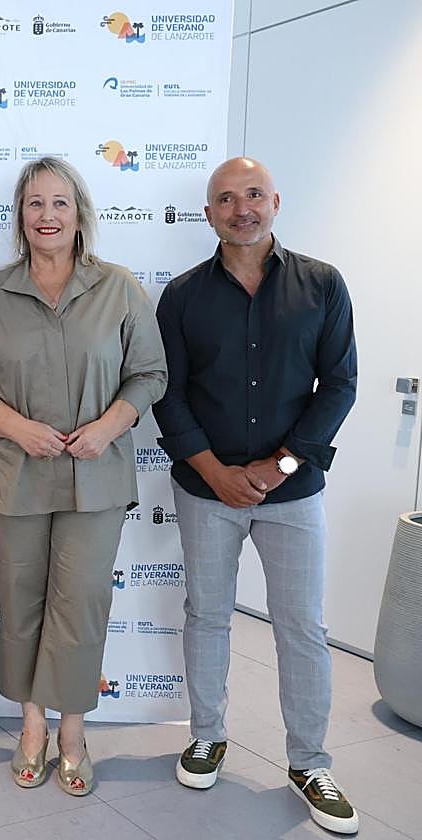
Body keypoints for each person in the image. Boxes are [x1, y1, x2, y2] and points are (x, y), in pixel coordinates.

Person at [0, 156, 167, 796]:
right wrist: (17, 428)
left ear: (80, 215)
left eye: (60, 204)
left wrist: (109, 426)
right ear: (20, 215)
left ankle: (72, 732)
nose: (47, 216)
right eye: (35, 204)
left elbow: (150, 374)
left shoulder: (119, 288)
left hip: (95, 480)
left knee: (81, 607)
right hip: (15, 478)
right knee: (21, 607)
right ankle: (32, 726)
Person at [153, 157, 359, 834]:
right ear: (208, 214)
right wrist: (214, 471)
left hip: (293, 493)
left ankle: (309, 761)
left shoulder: (322, 284)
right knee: (209, 615)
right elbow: (169, 392)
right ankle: (207, 734)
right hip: (205, 489)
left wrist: (282, 464)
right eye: (224, 199)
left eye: (252, 196)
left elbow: (340, 384)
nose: (241, 208)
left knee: (301, 627)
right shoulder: (182, 295)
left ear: (275, 201)